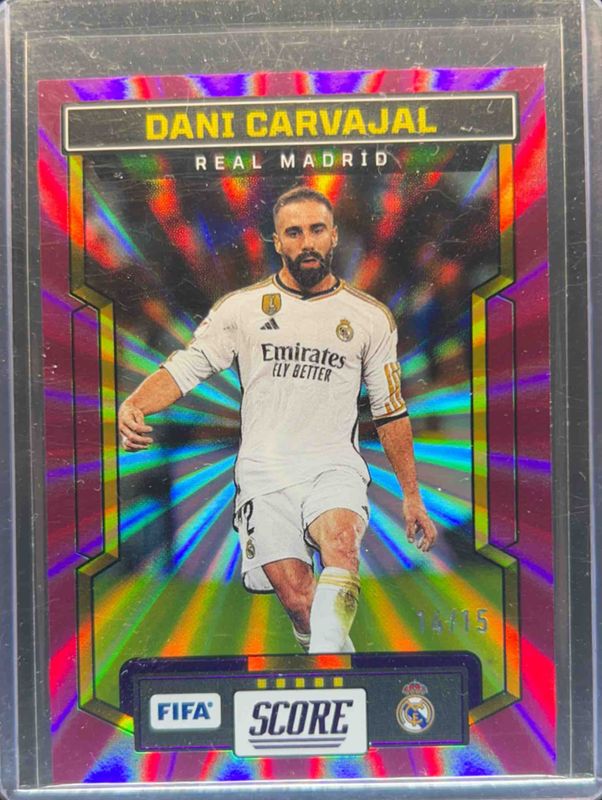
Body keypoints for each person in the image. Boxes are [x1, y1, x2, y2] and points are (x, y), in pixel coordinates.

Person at [118, 186, 437, 654]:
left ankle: (336, 679)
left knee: (341, 543)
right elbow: (187, 366)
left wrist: (412, 495)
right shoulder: (240, 309)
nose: (306, 242)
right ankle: (336, 664)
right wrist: (136, 403)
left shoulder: (370, 318)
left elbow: (391, 410)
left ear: (333, 236)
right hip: (264, 475)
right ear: (277, 241)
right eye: (294, 232)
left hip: (334, 466)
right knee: (301, 603)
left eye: (316, 230)